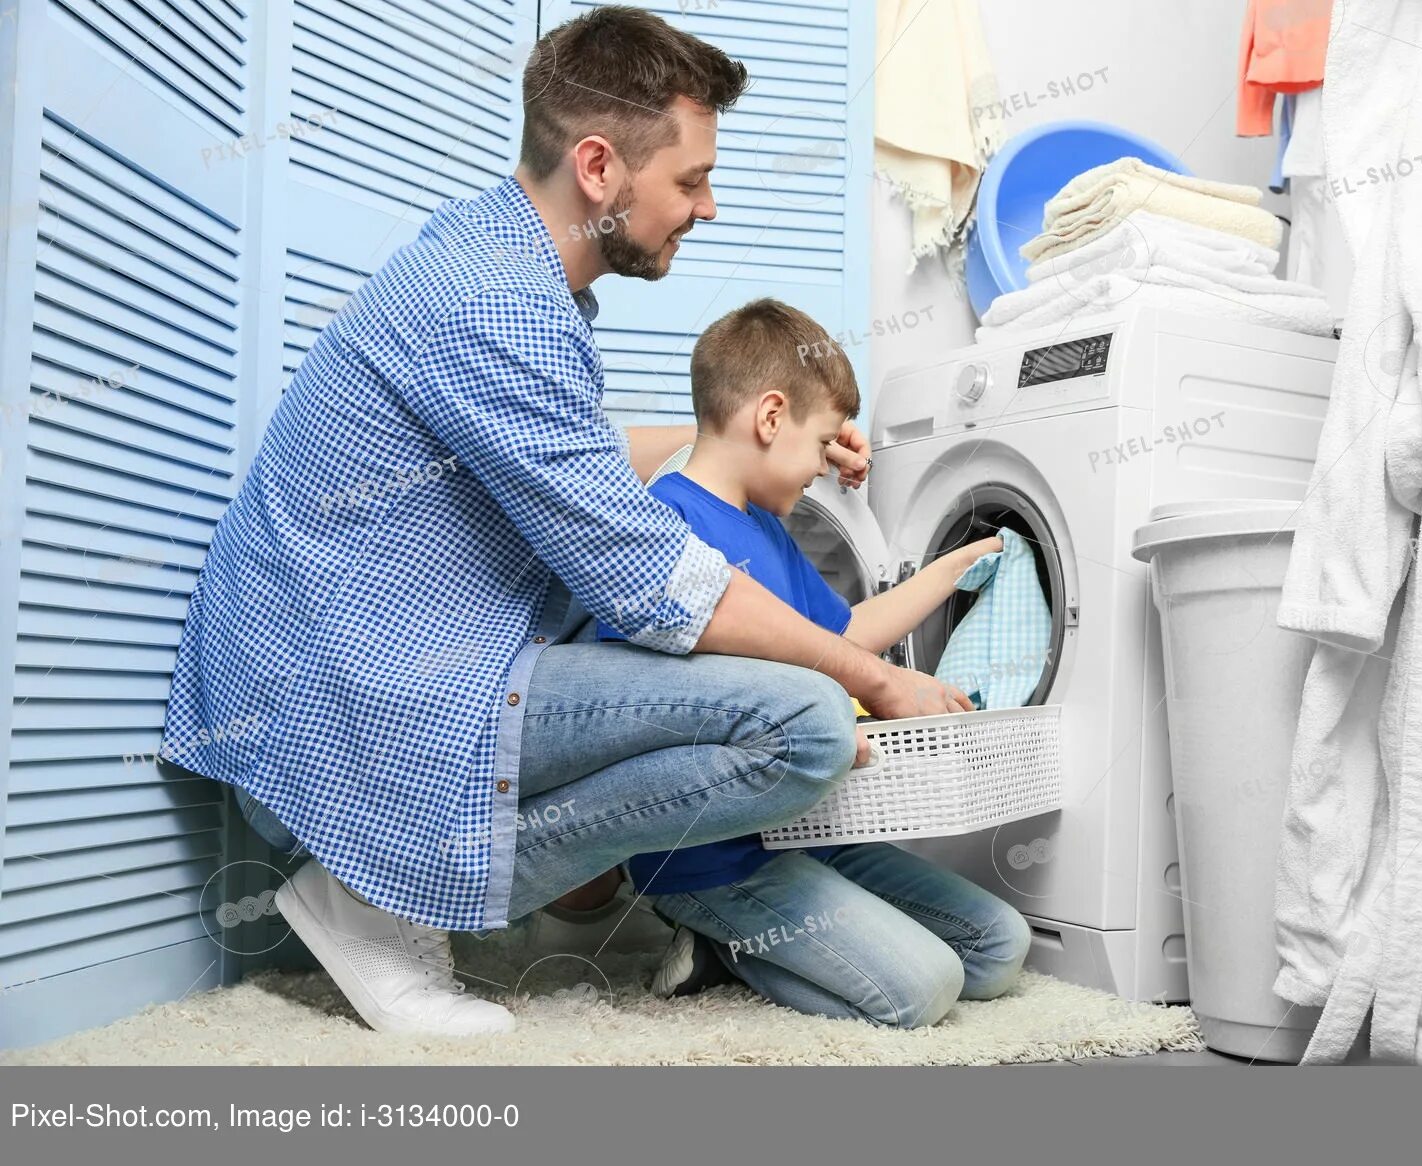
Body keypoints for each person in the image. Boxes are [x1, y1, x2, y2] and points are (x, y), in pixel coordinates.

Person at [160, 6, 972, 1037]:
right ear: (598, 167)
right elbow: (657, 582)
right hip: (339, 709)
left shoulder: (500, 269)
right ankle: (373, 897)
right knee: (803, 718)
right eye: (688, 181)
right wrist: (875, 672)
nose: (707, 207)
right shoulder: (496, 302)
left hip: (367, 673)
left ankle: (453, 892)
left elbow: (568, 459)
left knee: (750, 683)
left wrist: (755, 447)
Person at [594, 298, 1032, 1027]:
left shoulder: (766, 527)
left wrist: (963, 560)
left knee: (996, 948)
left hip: (810, 834)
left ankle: (747, 946)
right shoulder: (662, 527)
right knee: (922, 991)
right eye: (822, 440)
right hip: (714, 860)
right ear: (770, 418)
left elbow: (846, 633)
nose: (826, 464)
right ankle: (720, 940)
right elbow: (651, 704)